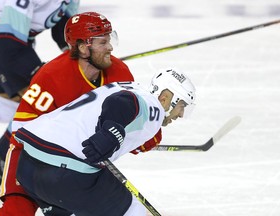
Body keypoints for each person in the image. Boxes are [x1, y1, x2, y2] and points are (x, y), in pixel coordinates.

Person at [0, 11, 162, 216]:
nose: (110, 47)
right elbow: (21, 131)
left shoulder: (118, 70)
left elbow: (131, 115)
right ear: (83, 48)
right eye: (102, 42)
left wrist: (142, 137)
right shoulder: (51, 76)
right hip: (28, 155)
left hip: (74, 161)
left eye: (110, 39)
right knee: (17, 210)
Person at [13, 68, 196, 216]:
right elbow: (122, 103)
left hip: (28, 166)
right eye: (182, 107)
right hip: (65, 172)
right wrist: (111, 132)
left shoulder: (125, 85)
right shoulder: (153, 104)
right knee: (135, 212)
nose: (180, 114)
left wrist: (112, 134)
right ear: (166, 98)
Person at [0, 0, 80, 184]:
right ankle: (0, 160)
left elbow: (65, 26)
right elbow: (7, 44)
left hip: (14, 42)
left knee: (36, 100)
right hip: (3, 43)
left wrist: (82, 55)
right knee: (45, 99)